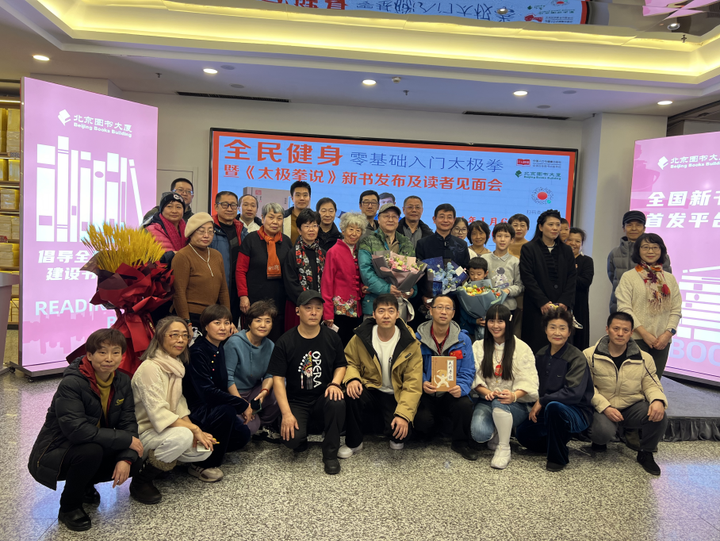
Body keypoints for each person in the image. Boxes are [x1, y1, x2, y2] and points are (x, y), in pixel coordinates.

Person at [28, 329, 142, 531]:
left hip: (92, 443)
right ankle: (69, 507)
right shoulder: (72, 383)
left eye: (115, 352)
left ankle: (84, 484)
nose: (109, 358)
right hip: (56, 450)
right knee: (91, 451)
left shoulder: (122, 381)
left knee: (134, 458)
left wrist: (125, 458)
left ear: (122, 356)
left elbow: (128, 423)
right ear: (89, 355)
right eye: (102, 352)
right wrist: (126, 439)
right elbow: (77, 430)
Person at [130, 317, 216, 504]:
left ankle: (161, 466)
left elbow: (180, 407)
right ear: (160, 337)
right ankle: (141, 481)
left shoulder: (175, 365)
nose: (181, 340)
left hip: (165, 430)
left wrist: (198, 433)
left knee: (204, 448)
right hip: (145, 432)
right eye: (174, 335)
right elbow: (158, 414)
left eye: (184, 335)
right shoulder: (150, 368)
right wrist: (193, 429)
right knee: (184, 436)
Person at [268, 290, 347, 475]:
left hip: (323, 397)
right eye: (308, 308)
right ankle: (301, 436)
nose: (313, 312)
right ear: (298, 311)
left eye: (318, 308)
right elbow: (277, 378)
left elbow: (341, 365)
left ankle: (330, 454)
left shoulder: (332, 337)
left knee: (337, 400)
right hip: (297, 401)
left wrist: (335, 384)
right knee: (292, 441)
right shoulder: (285, 341)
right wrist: (286, 414)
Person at [584, 312, 668, 475]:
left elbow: (651, 384)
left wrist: (657, 400)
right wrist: (605, 407)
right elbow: (587, 388)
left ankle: (646, 453)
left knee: (659, 414)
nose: (620, 333)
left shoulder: (645, 358)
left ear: (631, 333)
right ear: (607, 329)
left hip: (631, 407)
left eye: (625, 330)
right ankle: (600, 441)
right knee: (602, 432)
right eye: (616, 329)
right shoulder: (589, 355)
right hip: (603, 408)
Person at [340, 294, 423, 457]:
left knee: (399, 438)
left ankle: (390, 425)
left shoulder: (409, 342)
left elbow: (413, 383)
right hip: (370, 388)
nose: (386, 315)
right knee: (352, 394)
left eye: (391, 311)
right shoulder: (361, 336)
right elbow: (349, 360)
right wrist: (353, 378)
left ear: (398, 314)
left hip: (395, 393)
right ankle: (354, 442)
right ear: (373, 314)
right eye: (381, 311)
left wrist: (403, 415)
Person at [515, 308, 594, 472]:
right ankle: (556, 440)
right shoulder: (541, 354)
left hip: (577, 410)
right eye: (552, 327)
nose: (557, 333)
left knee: (554, 407)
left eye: (562, 328)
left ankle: (558, 457)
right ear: (545, 330)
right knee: (522, 434)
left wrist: (543, 400)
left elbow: (573, 394)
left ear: (569, 331)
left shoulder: (576, 357)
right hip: (547, 409)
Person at [184, 305, 252, 481]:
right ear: (206, 326)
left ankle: (199, 450)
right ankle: (202, 464)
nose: (223, 327)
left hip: (212, 405)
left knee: (243, 436)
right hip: (196, 410)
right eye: (217, 323)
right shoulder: (198, 351)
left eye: (227, 323)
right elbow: (206, 392)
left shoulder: (218, 346)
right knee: (227, 411)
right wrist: (241, 404)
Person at [470, 305, 538, 470]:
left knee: (500, 403)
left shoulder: (521, 347)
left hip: (515, 404)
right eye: (491, 321)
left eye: (500, 321)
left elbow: (529, 381)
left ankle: (504, 448)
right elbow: (473, 376)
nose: (495, 325)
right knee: (479, 434)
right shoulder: (478, 346)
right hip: (486, 401)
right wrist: (487, 392)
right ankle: (500, 429)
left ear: (508, 322)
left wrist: (513, 395)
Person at [414, 295, 478, 461]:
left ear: (453, 313)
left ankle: (460, 443)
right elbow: (412, 368)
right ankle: (432, 431)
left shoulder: (463, 340)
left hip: (450, 392)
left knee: (464, 404)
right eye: (439, 307)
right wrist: (422, 382)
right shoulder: (417, 338)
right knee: (422, 421)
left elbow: (468, 370)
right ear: (431, 310)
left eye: (448, 308)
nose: (443, 312)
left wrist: (461, 387)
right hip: (427, 392)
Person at [615, 233, 681, 378]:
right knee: (633, 381)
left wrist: (667, 334)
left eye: (655, 247)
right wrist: (644, 334)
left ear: (661, 250)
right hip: (636, 337)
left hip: (663, 339)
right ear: (638, 250)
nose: (650, 251)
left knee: (654, 381)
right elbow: (624, 308)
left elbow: (676, 309)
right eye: (645, 247)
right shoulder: (629, 277)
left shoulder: (669, 279)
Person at [519, 209, 576, 353]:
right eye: (551, 224)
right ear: (540, 227)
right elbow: (527, 277)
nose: (555, 228)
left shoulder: (566, 250)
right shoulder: (529, 249)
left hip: (561, 308)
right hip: (536, 307)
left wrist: (564, 301)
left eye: (558, 225)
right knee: (536, 347)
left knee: (561, 347)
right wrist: (543, 302)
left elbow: (571, 278)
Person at [237, 202, 293, 342]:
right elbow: (240, 270)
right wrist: (243, 296)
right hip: (253, 300)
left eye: (279, 218)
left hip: (279, 301)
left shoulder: (286, 241)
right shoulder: (251, 239)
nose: (275, 222)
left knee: (276, 340)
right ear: (262, 218)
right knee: (253, 340)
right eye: (271, 217)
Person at [225, 300, 281, 437]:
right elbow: (227, 377)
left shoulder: (270, 345)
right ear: (249, 323)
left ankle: (264, 424)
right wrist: (241, 404)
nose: (263, 325)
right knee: (247, 429)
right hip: (232, 394)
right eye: (258, 320)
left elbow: (270, 374)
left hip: (253, 392)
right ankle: (251, 419)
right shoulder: (234, 342)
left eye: (268, 321)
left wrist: (264, 391)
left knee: (280, 385)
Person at [171, 212, 230, 330]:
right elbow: (179, 292)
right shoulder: (183, 256)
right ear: (191, 233)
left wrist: (228, 319)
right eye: (201, 231)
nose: (206, 235)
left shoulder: (217, 255)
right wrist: (186, 322)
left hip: (212, 316)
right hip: (191, 316)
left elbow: (223, 290)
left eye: (210, 231)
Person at [358, 202, 416, 319]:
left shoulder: (406, 243)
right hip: (375, 304)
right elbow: (366, 270)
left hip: (399, 305)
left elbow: (413, 270)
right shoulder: (368, 241)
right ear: (378, 220)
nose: (390, 219)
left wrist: (412, 290)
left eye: (394, 217)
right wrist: (386, 289)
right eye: (386, 216)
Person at [608, 210, 672, 313]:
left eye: (638, 225)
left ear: (644, 228)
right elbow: (612, 276)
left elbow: (667, 279)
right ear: (623, 228)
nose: (634, 228)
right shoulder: (614, 253)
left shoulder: (657, 253)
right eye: (629, 225)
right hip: (620, 305)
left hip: (648, 308)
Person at [321, 212, 367, 345]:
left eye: (358, 230)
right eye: (351, 229)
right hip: (339, 311)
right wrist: (327, 313)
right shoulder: (333, 251)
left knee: (354, 347)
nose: (354, 234)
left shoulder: (359, 251)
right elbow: (326, 283)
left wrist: (362, 288)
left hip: (357, 310)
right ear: (343, 230)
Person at [416, 203, 471, 310]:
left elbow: (465, 271)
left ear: (454, 220)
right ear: (434, 219)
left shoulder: (462, 245)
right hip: (428, 301)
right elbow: (418, 273)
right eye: (441, 217)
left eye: (449, 217)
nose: (445, 220)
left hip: (454, 301)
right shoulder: (423, 243)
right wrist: (423, 296)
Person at [283, 209, 325, 331]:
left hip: (319, 306)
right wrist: (307, 302)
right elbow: (290, 282)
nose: (311, 230)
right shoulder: (292, 254)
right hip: (297, 305)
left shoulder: (324, 254)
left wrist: (317, 303)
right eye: (307, 226)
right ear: (299, 230)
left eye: (315, 226)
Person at [210, 191, 245, 325]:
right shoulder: (208, 230)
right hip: (214, 289)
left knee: (231, 325)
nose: (229, 209)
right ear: (216, 206)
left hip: (236, 289)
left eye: (233, 205)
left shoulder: (242, 230)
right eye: (225, 205)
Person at [482, 222, 523, 313]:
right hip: (488, 306)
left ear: (512, 240)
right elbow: (479, 281)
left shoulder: (515, 261)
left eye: (506, 236)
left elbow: (519, 285)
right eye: (499, 236)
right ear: (493, 239)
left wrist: (508, 290)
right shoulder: (484, 259)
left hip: (508, 307)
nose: (502, 239)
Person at [566, 227, 594, 350]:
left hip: (579, 305)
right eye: (569, 240)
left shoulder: (587, 261)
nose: (573, 243)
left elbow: (585, 282)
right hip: (562, 305)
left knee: (579, 342)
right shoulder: (559, 260)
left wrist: (569, 274)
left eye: (577, 241)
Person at [508, 213, 530, 338]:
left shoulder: (531, 246)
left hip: (523, 292)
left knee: (519, 327)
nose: (519, 228)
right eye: (515, 225)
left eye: (522, 225)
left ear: (527, 228)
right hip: (504, 291)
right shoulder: (504, 245)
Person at [458, 257, 489, 340]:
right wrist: (475, 321)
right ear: (468, 272)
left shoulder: (489, 289)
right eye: (472, 274)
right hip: (467, 329)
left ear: (486, 273)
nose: (475, 277)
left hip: (485, 329)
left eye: (479, 274)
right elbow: (463, 312)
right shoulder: (464, 290)